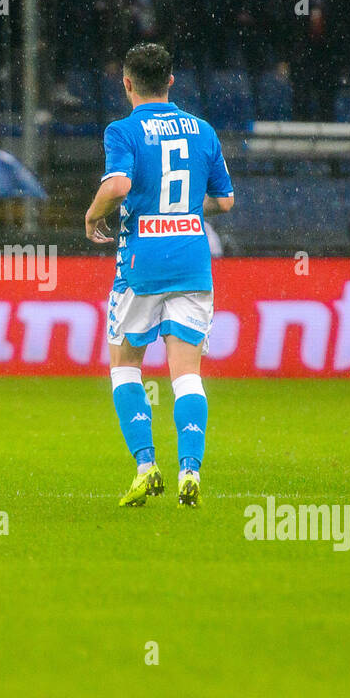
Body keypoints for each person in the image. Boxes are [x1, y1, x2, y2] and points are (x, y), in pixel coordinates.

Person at [84, 42, 234, 509]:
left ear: (126, 83)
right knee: (186, 376)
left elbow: (120, 184)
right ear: (171, 81)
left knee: (126, 367)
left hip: (141, 264)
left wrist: (92, 215)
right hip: (192, 258)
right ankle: (190, 469)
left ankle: (147, 466)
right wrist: (187, 205)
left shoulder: (122, 130)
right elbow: (225, 201)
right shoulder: (203, 130)